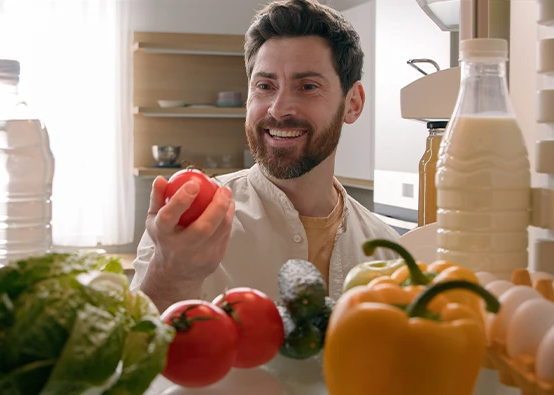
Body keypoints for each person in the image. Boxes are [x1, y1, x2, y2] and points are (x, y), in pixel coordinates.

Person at [130, 0, 401, 312]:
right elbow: (136, 353)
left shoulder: (386, 251)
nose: (278, 108)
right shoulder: (189, 229)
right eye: (265, 86)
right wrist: (169, 274)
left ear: (352, 103)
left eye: (308, 86)